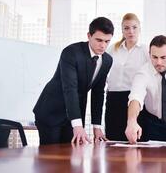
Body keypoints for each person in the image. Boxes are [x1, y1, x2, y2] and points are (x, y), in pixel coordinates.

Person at [33, 17, 114, 145]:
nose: (103, 45)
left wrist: (97, 127)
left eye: (107, 41)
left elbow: (98, 93)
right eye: (98, 40)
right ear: (89, 36)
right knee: (51, 158)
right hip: (52, 111)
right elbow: (70, 88)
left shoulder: (107, 60)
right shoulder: (71, 52)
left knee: (72, 156)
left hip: (74, 113)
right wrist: (77, 125)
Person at [105, 13, 148, 141]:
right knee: (113, 140)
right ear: (122, 30)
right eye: (127, 28)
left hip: (134, 100)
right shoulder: (112, 49)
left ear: (139, 29)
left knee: (135, 141)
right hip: (113, 98)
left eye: (134, 27)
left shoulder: (145, 50)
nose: (131, 31)